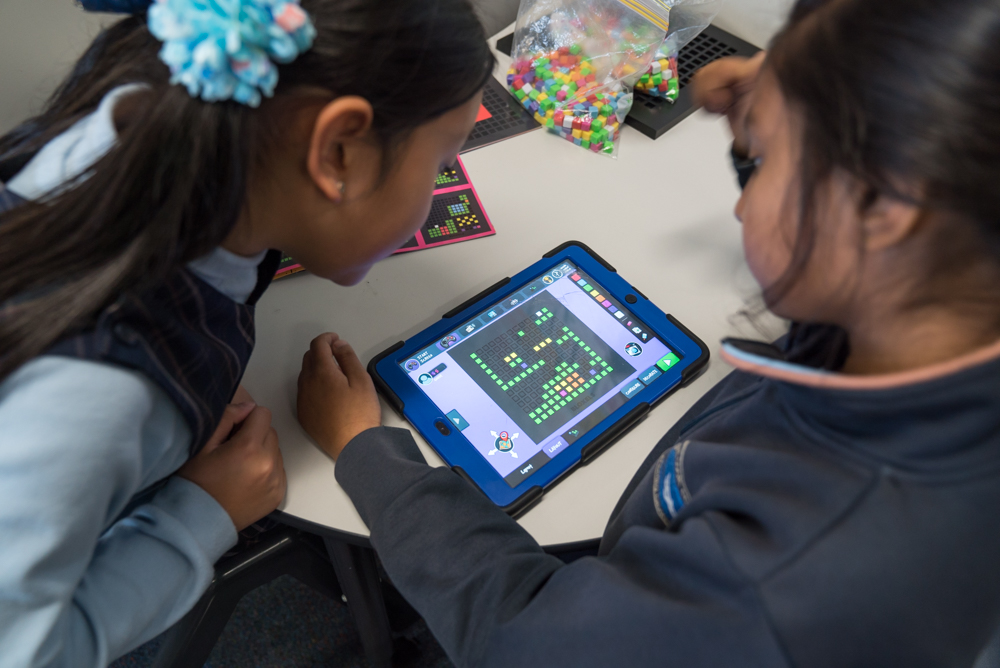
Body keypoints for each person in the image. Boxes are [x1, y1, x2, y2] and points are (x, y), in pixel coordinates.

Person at [296, 0, 1000, 665]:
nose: (742, 201)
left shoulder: (772, 588)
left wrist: (369, 458)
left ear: (880, 210)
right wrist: (793, 91)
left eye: (759, 161)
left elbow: (524, 639)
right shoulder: (947, 306)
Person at [0, 0, 493, 665]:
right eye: (440, 165)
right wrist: (196, 514)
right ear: (338, 150)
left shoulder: (140, 99)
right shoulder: (90, 401)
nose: (437, 194)